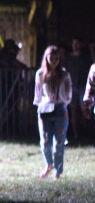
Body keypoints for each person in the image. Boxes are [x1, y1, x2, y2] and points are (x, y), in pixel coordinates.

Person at [33, 46, 72, 179]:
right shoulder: (40, 74)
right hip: (45, 109)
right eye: (52, 58)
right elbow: (37, 93)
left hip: (60, 108)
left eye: (56, 58)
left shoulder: (64, 74)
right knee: (45, 142)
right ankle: (49, 164)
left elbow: (68, 92)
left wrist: (64, 102)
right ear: (47, 58)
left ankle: (58, 170)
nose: (54, 61)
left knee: (59, 142)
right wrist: (39, 106)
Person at [62, 37, 90, 144]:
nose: (75, 45)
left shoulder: (85, 58)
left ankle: (86, 133)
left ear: (81, 44)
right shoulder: (68, 59)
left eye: (77, 43)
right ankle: (76, 135)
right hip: (72, 87)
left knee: (85, 110)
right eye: (74, 43)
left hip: (83, 87)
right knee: (73, 112)